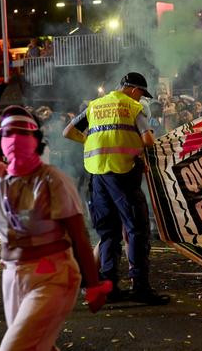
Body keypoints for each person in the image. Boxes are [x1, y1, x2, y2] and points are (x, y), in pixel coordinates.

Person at [0, 84, 111, 350]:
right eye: (8, 133)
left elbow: (79, 236)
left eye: (22, 133)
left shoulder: (52, 180)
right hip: (13, 277)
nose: (15, 138)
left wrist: (93, 286)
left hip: (53, 277)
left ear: (36, 140)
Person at [63, 71, 170, 306]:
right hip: (122, 174)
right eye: (141, 93)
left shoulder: (95, 106)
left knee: (109, 233)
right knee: (137, 230)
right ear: (132, 89)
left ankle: (109, 287)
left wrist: (92, 142)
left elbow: (68, 131)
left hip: (98, 176)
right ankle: (140, 287)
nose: (141, 98)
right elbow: (149, 140)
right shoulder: (132, 107)